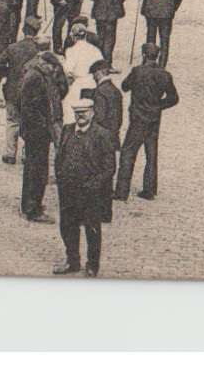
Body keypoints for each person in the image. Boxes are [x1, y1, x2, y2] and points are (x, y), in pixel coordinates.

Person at [54, 98, 116, 277]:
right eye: (78, 112)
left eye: (85, 112)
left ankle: (92, 265)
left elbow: (110, 166)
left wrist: (95, 183)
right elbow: (60, 155)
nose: (81, 115)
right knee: (67, 226)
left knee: (92, 229)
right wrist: (60, 176)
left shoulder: (102, 134)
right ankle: (72, 261)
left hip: (90, 191)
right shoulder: (67, 130)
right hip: (68, 189)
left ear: (92, 113)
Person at [114, 42, 179, 200]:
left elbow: (124, 86)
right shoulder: (165, 74)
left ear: (143, 55)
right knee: (151, 154)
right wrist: (158, 106)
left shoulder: (137, 71)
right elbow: (174, 98)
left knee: (128, 152)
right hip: (154, 119)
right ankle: (149, 190)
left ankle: (121, 192)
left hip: (138, 118)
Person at [19, 51, 64, 222]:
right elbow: (29, 108)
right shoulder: (35, 78)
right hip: (36, 133)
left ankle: (30, 204)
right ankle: (33, 209)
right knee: (37, 171)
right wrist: (43, 126)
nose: (53, 72)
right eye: (52, 68)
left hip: (36, 132)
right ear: (44, 64)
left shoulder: (36, 74)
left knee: (34, 169)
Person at [0, 17, 46, 165]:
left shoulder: (13, 47)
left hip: (12, 91)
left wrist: (8, 73)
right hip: (31, 92)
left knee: (12, 122)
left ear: (24, 30)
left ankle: (10, 154)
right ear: (36, 32)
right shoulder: (38, 49)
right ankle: (26, 154)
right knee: (29, 121)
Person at [88, 58, 123, 146]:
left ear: (98, 74)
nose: (93, 77)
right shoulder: (116, 90)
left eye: (94, 74)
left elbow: (100, 116)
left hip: (102, 137)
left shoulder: (100, 91)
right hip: (114, 135)